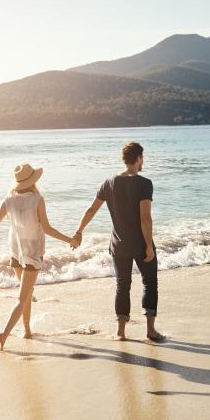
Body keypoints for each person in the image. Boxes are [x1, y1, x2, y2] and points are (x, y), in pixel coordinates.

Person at [0, 163, 75, 350]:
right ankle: (4, 334)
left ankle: (27, 330)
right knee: (22, 298)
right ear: (33, 181)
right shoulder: (38, 199)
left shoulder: (8, 199)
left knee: (27, 293)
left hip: (16, 251)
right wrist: (69, 240)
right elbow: (47, 228)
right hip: (32, 252)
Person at [73, 142, 166, 343]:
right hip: (140, 243)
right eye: (143, 158)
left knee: (122, 285)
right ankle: (150, 331)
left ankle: (120, 332)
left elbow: (91, 210)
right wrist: (149, 245)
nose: (143, 162)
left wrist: (79, 231)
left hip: (118, 245)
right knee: (150, 283)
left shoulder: (108, 182)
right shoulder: (144, 183)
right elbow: (145, 218)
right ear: (139, 158)